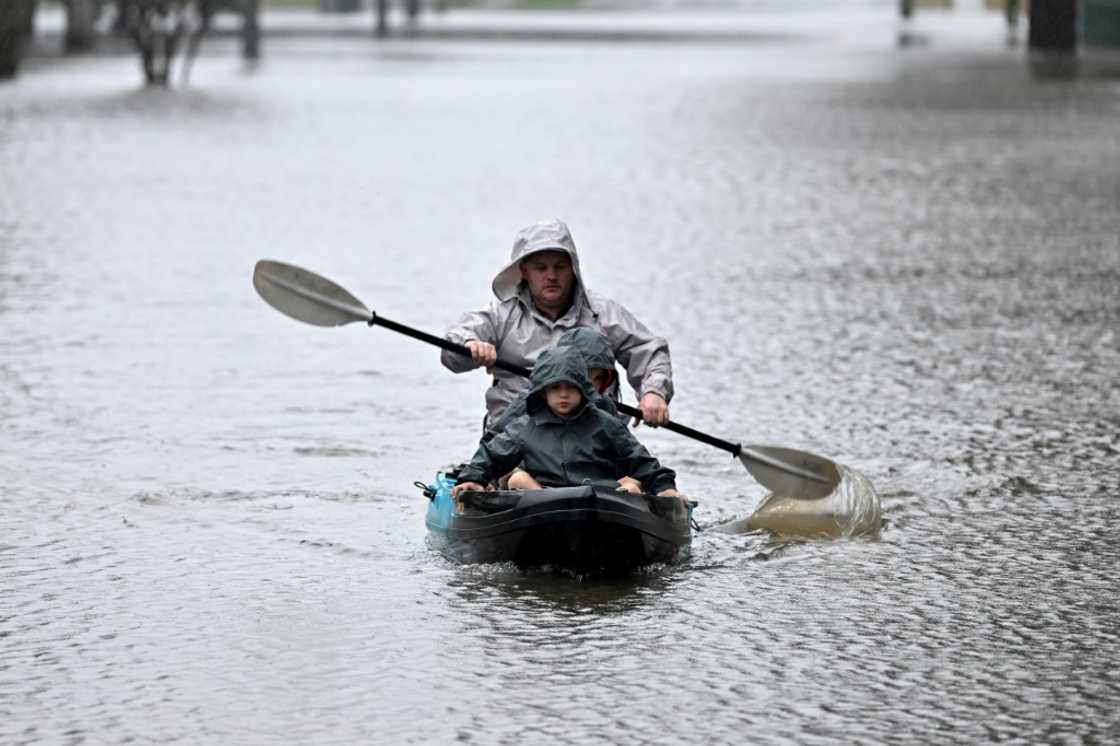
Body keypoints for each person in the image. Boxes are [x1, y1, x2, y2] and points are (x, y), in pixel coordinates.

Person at [441, 219, 673, 428]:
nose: (551, 276)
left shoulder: (602, 313)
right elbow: (453, 352)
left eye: (559, 267)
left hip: (592, 436)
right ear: (524, 272)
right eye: (541, 268)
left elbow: (648, 350)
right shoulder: (499, 316)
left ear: (573, 269)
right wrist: (470, 344)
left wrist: (654, 393)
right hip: (516, 436)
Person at [450, 346, 685, 502]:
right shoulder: (524, 427)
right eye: (555, 388)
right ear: (542, 393)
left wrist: (664, 487)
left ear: (583, 390)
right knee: (519, 481)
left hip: (600, 500)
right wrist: (473, 479)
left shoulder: (605, 423)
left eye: (571, 388)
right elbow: (491, 455)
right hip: (544, 499)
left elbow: (640, 460)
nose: (563, 395)